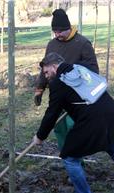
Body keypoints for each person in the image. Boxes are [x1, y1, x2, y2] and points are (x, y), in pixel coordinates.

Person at [32, 52, 114, 193]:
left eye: (46, 72)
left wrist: (40, 136)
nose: (46, 76)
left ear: (54, 66)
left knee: (69, 157)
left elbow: (51, 114)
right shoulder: (80, 68)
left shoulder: (58, 83)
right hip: (112, 114)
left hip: (93, 122)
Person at [34, 8, 99, 150]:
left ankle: (76, 159)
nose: (57, 35)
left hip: (76, 97)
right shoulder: (52, 44)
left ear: (68, 28)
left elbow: (93, 70)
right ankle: (67, 156)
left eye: (60, 32)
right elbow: (45, 68)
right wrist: (39, 89)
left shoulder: (82, 43)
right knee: (59, 129)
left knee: (73, 128)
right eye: (54, 32)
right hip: (57, 96)